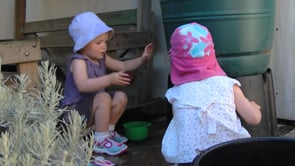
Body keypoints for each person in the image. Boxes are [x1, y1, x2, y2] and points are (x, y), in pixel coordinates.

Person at [161, 22, 261, 164]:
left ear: (175, 59)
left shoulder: (176, 93)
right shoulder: (228, 84)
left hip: (190, 160)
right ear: (212, 54)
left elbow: (182, 125)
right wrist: (254, 107)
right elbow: (254, 119)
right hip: (233, 155)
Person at [59, 11, 155, 156]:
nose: (104, 46)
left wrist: (142, 59)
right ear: (83, 44)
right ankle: (100, 140)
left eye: (105, 41)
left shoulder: (102, 58)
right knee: (103, 97)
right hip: (74, 116)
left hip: (90, 111)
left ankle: (107, 133)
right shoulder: (78, 61)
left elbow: (123, 65)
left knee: (120, 96)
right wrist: (109, 79)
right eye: (98, 42)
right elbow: (83, 85)